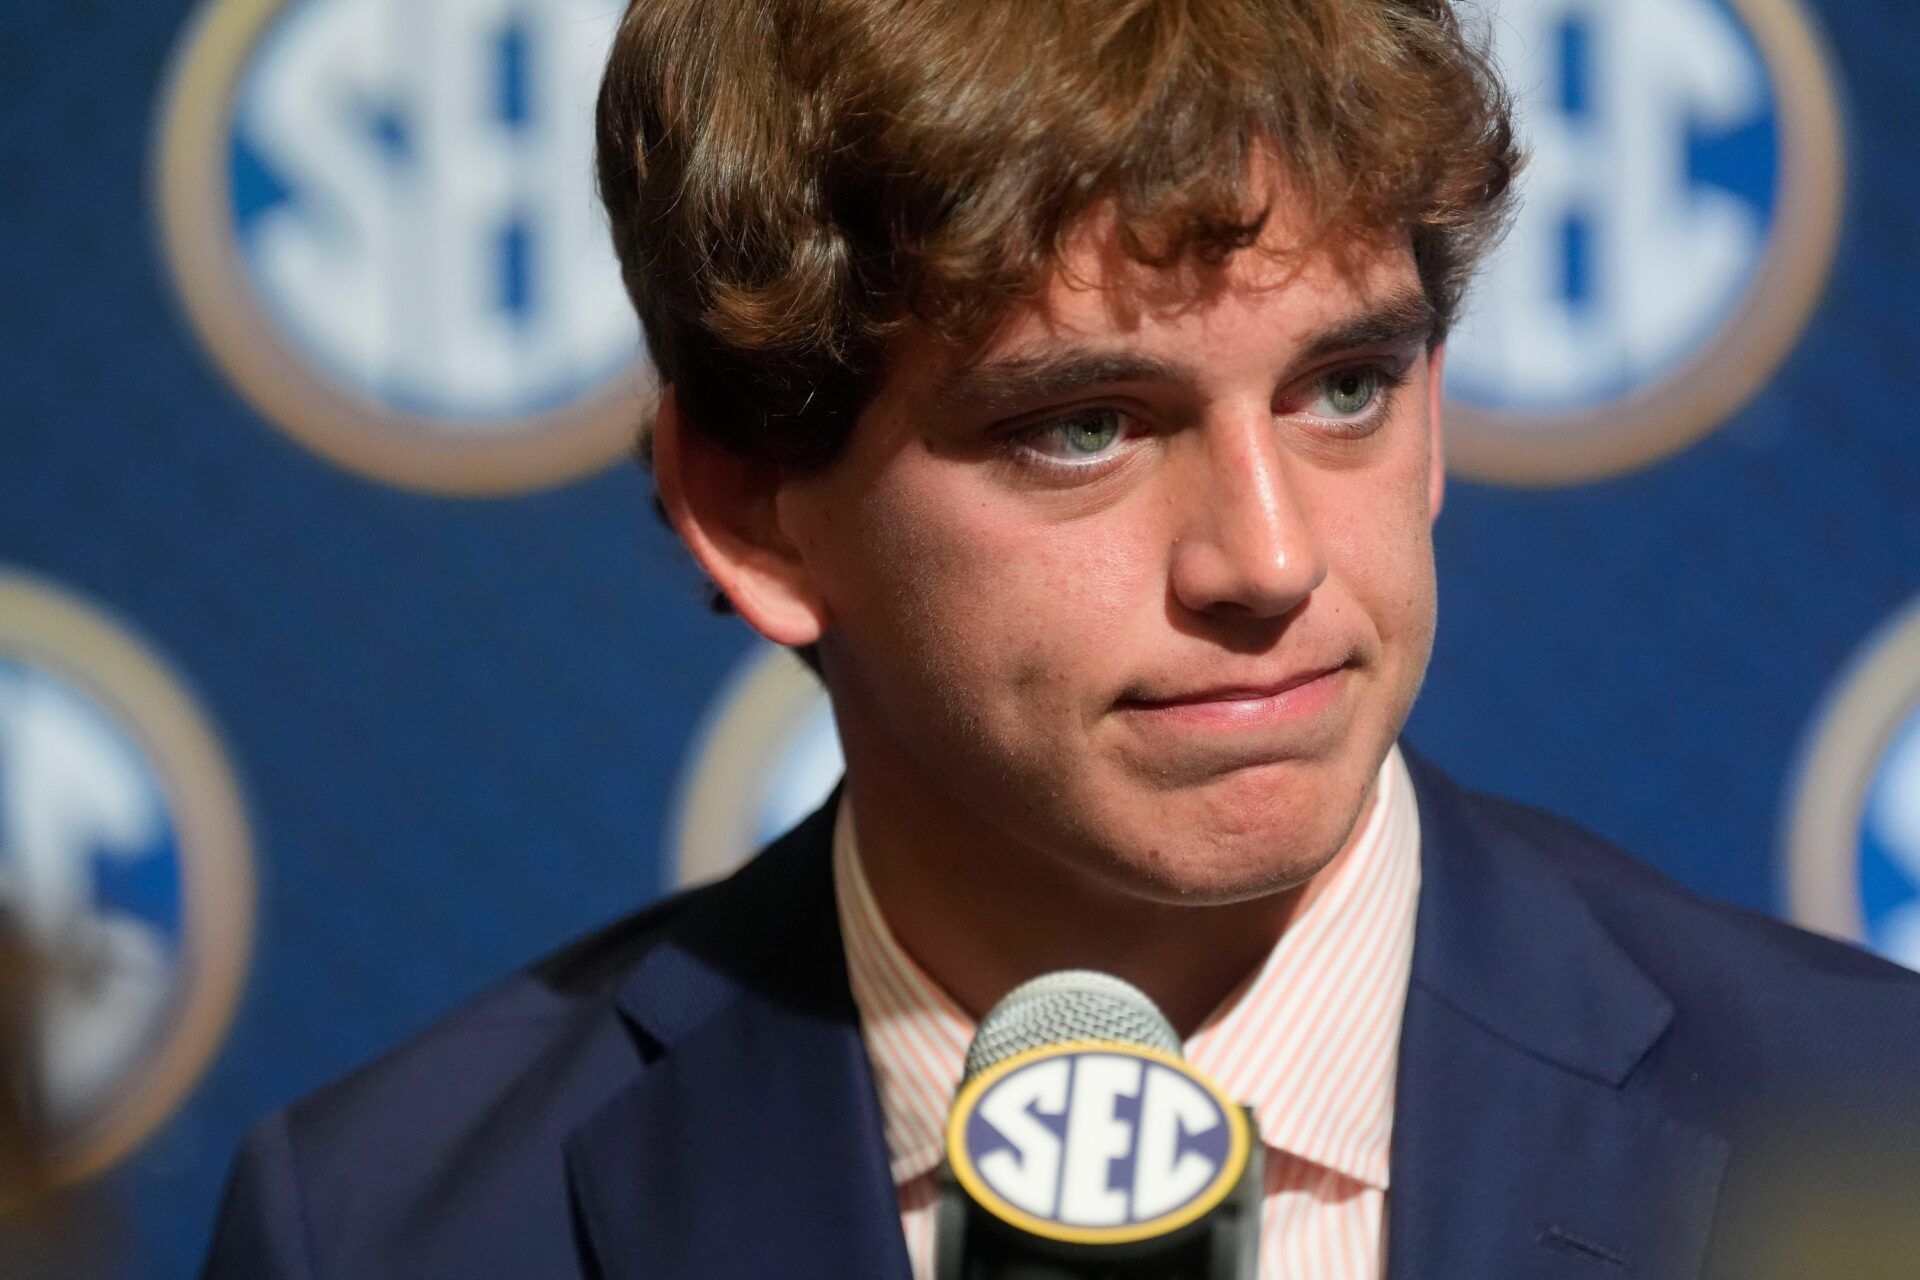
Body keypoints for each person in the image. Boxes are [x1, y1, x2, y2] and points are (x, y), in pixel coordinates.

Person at [202, 1, 1920, 1276]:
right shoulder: (390, 1227)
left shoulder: (1870, 1134)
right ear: (754, 508)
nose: (1269, 558)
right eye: (1084, 425)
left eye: (1344, 388)